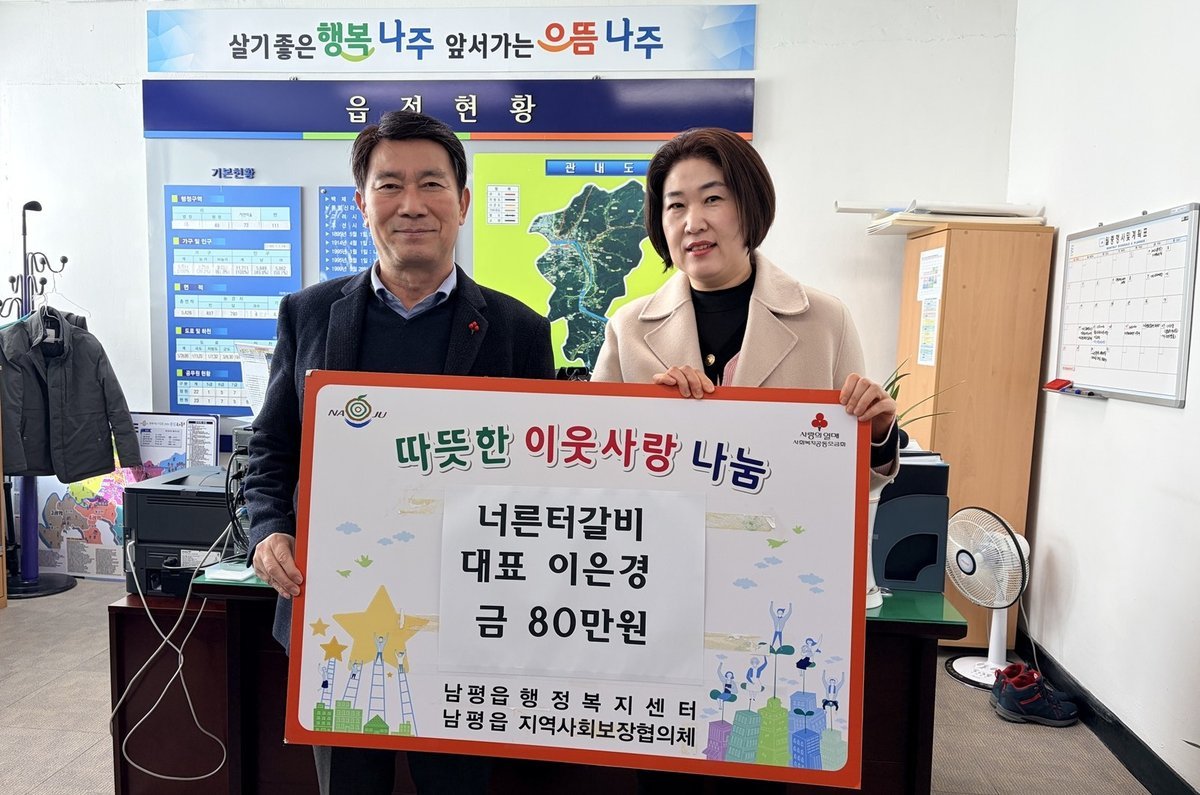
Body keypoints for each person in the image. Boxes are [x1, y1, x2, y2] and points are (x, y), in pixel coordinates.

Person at [245, 110, 555, 795]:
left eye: (431, 184)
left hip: (469, 625)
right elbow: (271, 448)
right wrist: (268, 529)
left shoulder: (519, 330)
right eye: (389, 185)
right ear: (362, 203)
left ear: (463, 202)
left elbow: (540, 478)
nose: (411, 204)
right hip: (337, 618)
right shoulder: (308, 313)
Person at [591, 128, 898, 793]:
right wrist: (651, 422)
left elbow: (854, 473)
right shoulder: (628, 326)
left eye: (713, 198)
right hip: (663, 594)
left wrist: (875, 433)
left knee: (766, 748)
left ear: (749, 206)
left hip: (777, 590)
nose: (692, 221)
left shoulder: (824, 319)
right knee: (669, 768)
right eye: (674, 205)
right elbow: (593, 469)